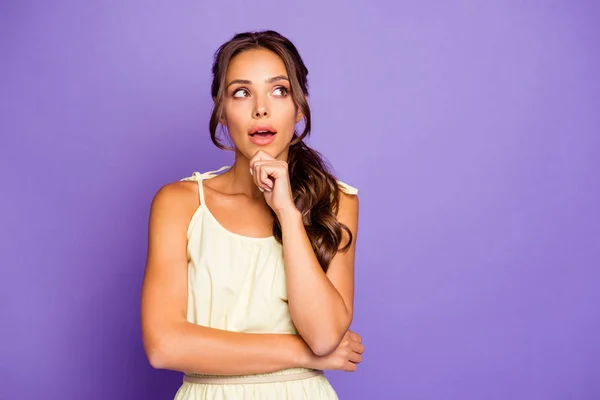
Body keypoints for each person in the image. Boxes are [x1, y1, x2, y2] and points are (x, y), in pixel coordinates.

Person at [140, 30, 364, 400]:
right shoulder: (178, 203)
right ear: (221, 112)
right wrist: (301, 353)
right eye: (241, 92)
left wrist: (287, 213)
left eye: (279, 90)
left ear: (300, 106)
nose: (261, 108)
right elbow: (164, 345)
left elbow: (325, 334)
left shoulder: (337, 201)